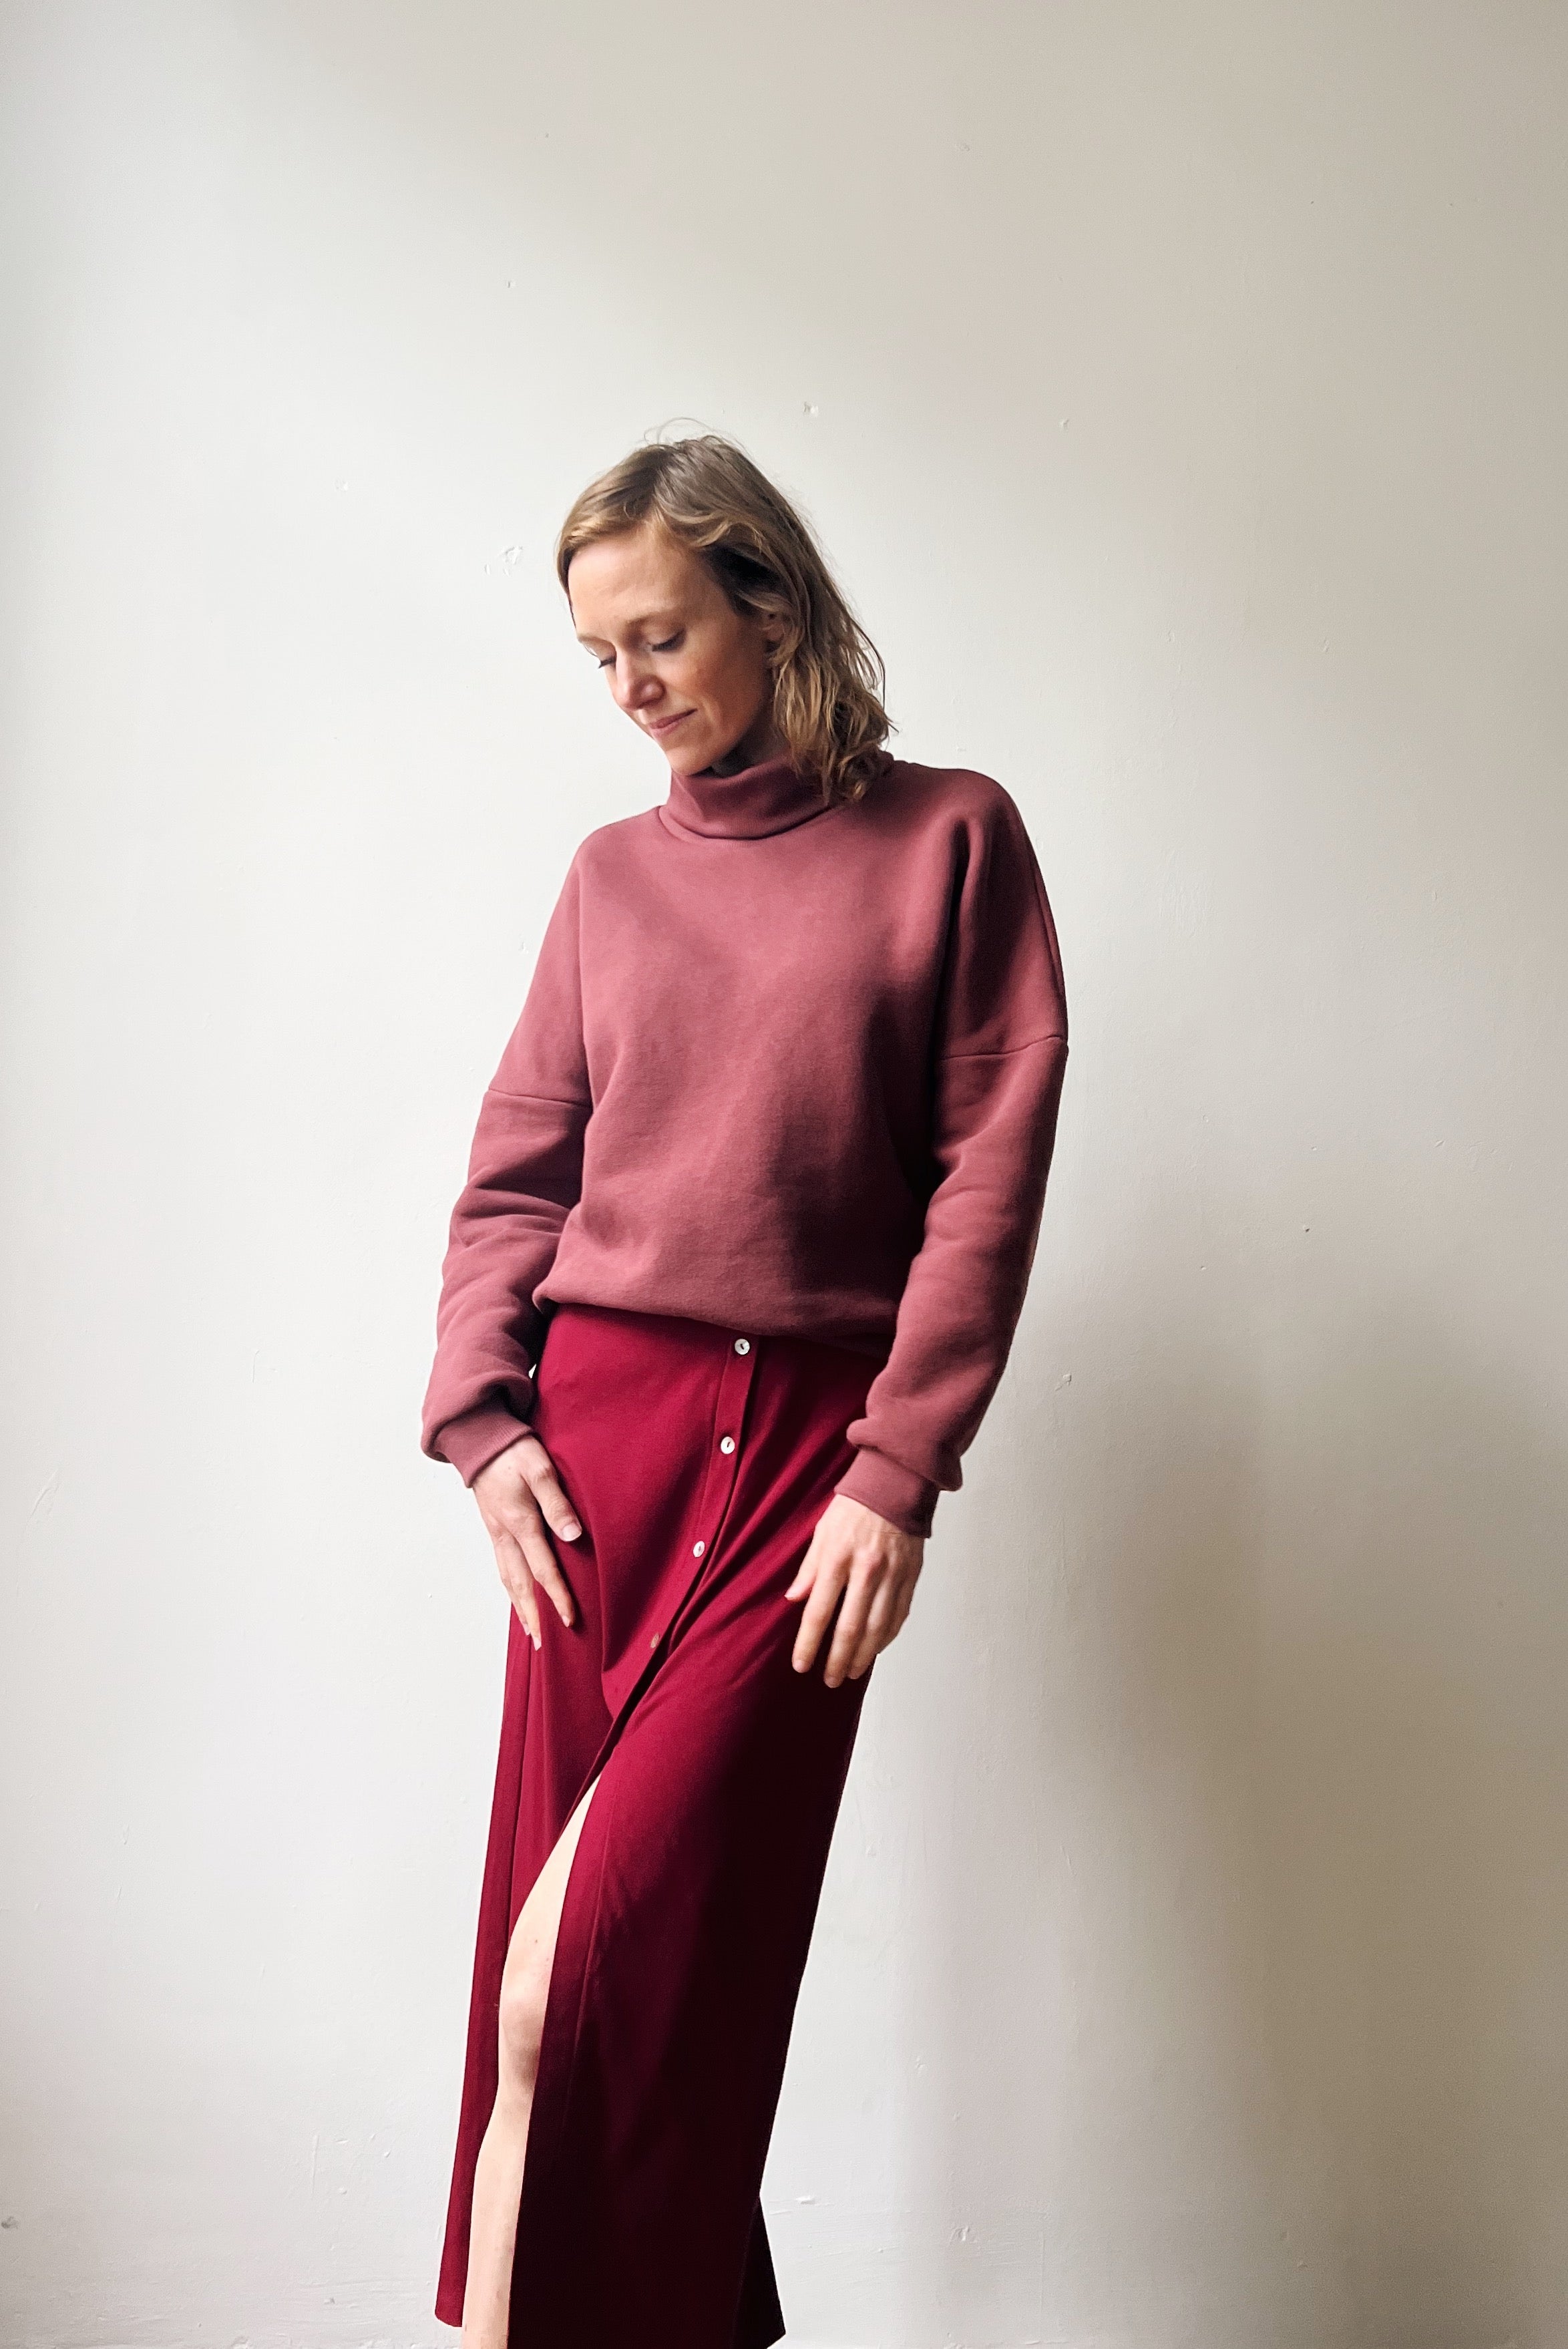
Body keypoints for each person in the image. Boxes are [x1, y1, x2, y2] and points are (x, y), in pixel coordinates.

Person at [419, 433, 1070, 2349]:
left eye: (661, 635)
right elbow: (517, 1176)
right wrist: (483, 1424)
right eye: (597, 654)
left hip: (803, 1468)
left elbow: (986, 1177)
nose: (629, 686)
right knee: (583, 2012)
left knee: (591, 1982)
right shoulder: (610, 882)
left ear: (767, 605)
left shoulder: (952, 841)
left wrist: (897, 1467)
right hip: (594, 1472)